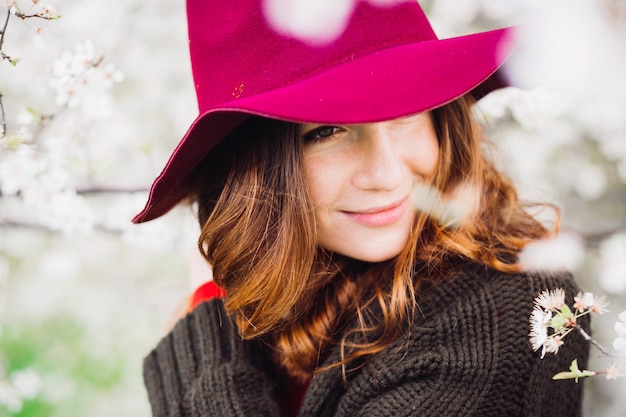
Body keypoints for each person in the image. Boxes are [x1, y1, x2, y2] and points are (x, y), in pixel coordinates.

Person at [135, 0, 590, 416]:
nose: (388, 174)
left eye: (407, 112)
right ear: (251, 174)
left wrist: (207, 356)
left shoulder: (504, 314)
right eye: (327, 131)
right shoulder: (275, 304)